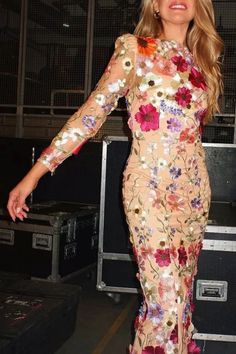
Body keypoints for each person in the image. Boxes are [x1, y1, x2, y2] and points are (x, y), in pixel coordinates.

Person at [7, 0, 223, 353]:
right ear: (153, 6)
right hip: (148, 191)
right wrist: (34, 175)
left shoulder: (203, 63)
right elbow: (89, 116)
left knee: (179, 304)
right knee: (166, 302)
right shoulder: (134, 48)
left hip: (193, 194)